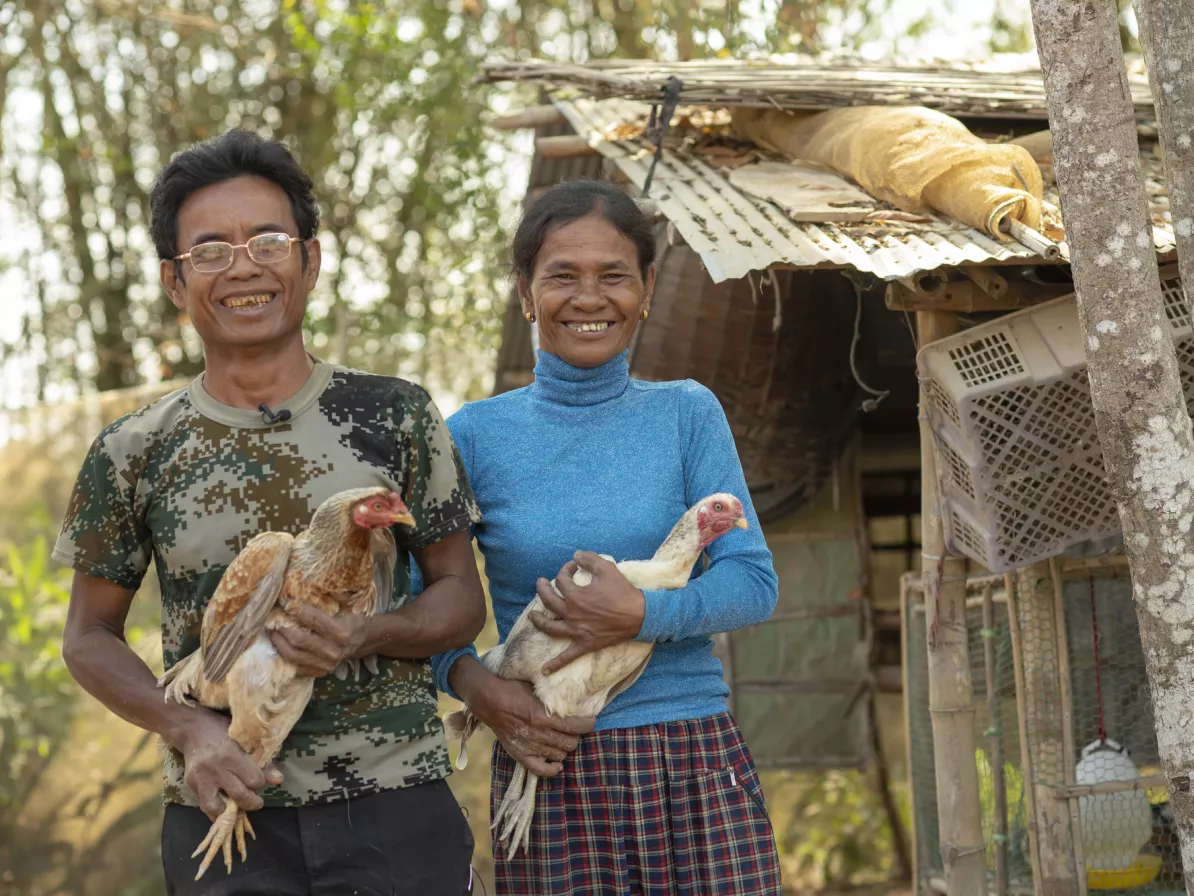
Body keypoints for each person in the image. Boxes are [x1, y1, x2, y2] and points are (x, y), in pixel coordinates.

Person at [54, 129, 484, 896]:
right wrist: (188, 730)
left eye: (269, 240)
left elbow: (460, 597)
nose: (243, 266)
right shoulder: (133, 449)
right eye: (210, 249)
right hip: (223, 807)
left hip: (392, 801)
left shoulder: (396, 414)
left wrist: (367, 633)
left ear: (310, 260)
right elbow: (87, 636)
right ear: (174, 281)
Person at [426, 180, 783, 894]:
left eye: (614, 276)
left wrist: (643, 614)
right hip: (550, 764)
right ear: (526, 293)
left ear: (646, 289)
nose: (590, 298)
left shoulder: (687, 414)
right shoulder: (473, 435)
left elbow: (753, 580)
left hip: (692, 761)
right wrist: (478, 690)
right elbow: (419, 604)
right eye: (562, 276)